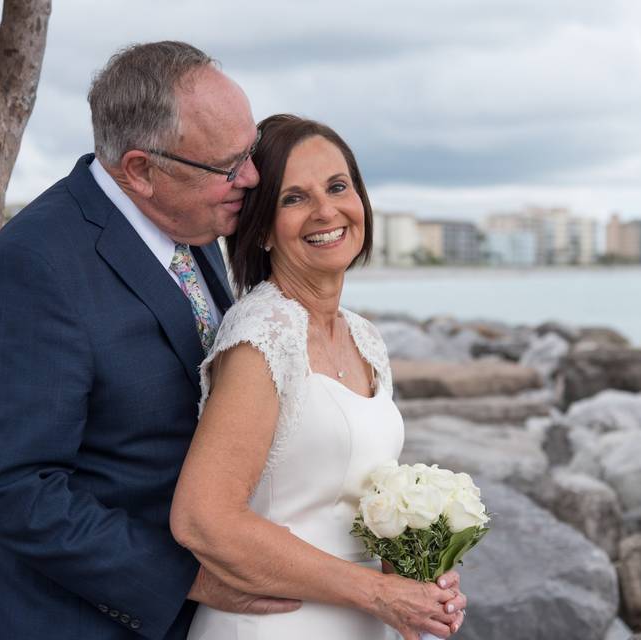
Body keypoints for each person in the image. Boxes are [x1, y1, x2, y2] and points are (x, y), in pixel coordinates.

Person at [0, 41, 298, 639]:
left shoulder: (195, 221)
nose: (251, 177)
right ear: (141, 170)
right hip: (79, 620)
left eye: (249, 152)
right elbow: (14, 490)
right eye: (229, 166)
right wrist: (185, 581)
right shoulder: (38, 262)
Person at [169, 114, 468, 640]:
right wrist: (376, 592)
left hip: (361, 620)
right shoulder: (260, 337)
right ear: (261, 228)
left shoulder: (364, 338)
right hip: (277, 627)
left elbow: (352, 502)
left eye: (337, 186)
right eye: (294, 198)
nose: (326, 211)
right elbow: (203, 518)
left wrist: (418, 575)